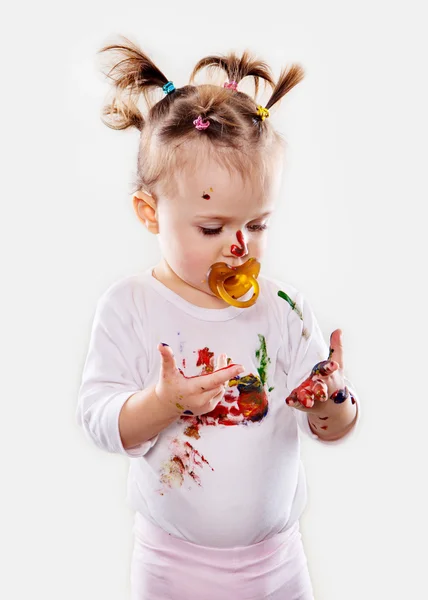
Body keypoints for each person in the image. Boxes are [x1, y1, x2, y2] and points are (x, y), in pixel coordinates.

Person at [76, 36, 360, 600]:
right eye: (212, 228)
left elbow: (329, 429)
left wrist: (333, 398)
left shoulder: (282, 309)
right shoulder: (131, 306)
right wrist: (162, 403)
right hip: (171, 564)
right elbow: (99, 420)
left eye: (256, 225)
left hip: (277, 564)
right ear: (150, 214)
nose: (238, 247)